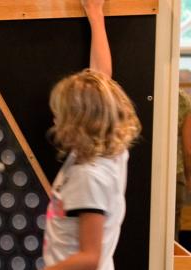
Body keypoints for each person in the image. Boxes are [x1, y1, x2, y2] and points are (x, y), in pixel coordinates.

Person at [43, 0, 141, 269]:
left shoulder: (88, 175)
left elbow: (89, 257)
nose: (54, 119)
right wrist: (95, 13)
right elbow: (103, 82)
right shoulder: (109, 153)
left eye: (60, 113)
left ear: (78, 122)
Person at [176, 88, 191, 240]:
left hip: (150, 171)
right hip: (176, 172)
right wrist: (189, 177)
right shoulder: (184, 100)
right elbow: (188, 149)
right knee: (172, 230)